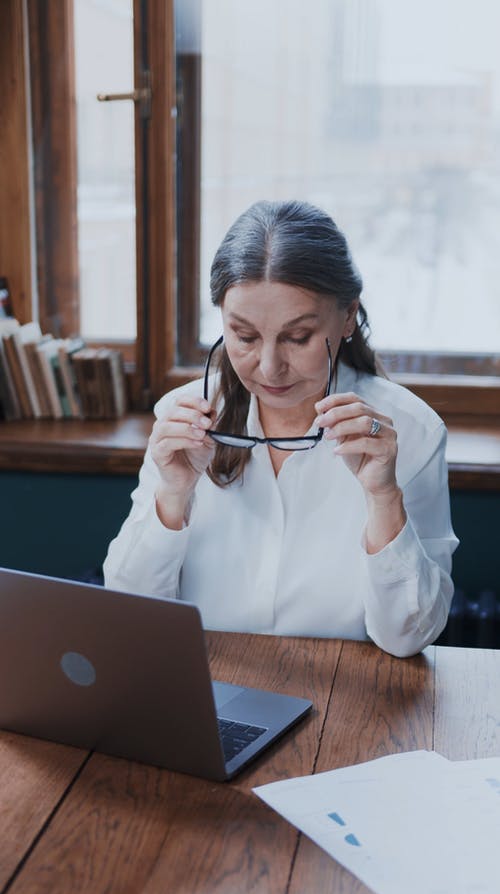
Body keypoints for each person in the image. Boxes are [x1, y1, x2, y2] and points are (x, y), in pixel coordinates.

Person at [103, 199, 458, 657]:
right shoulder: (183, 416)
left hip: (345, 700)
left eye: (297, 337)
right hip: (209, 693)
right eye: (244, 336)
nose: (269, 367)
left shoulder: (411, 431)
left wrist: (384, 498)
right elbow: (129, 616)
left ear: (348, 316)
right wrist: (171, 496)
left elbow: (407, 637)